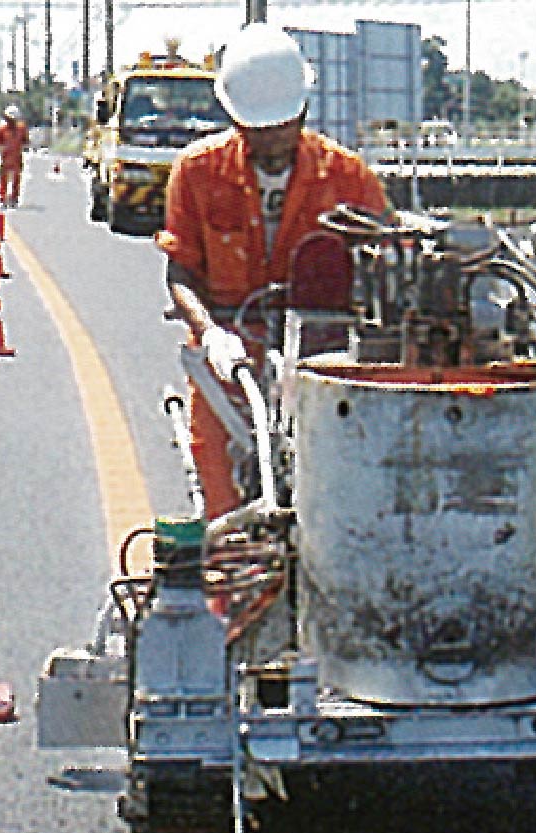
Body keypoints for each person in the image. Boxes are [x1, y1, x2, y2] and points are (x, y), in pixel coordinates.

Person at [157, 23, 388, 521]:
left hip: (323, 361)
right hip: (228, 352)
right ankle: (228, 588)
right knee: (218, 493)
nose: (270, 140)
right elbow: (179, 274)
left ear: (303, 111)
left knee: (334, 495)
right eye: (256, 130)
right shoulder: (197, 172)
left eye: (280, 127)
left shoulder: (348, 177)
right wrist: (211, 335)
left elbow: (385, 269)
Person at [0, 105, 29, 208]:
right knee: (3, 178)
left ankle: (14, 198)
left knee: (16, 177)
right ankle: (2, 197)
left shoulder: (21, 128)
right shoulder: (2, 129)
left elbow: (25, 141)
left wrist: (24, 146)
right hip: (5, 156)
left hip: (17, 156)